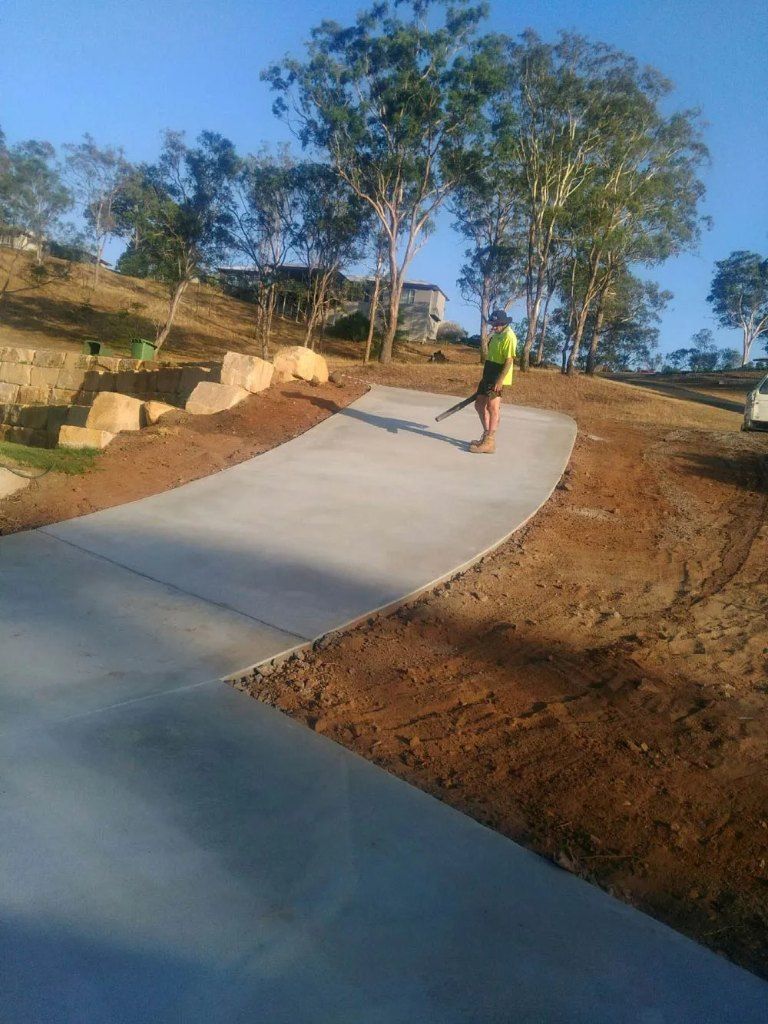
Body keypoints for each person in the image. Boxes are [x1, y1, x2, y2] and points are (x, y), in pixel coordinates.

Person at [469, 309, 518, 454]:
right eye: (493, 324)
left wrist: (500, 380)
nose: (493, 327)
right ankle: (486, 435)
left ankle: (489, 441)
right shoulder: (496, 335)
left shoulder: (509, 337)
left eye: (496, 324)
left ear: (503, 323)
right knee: (479, 405)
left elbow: (509, 361)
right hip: (488, 372)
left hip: (497, 374)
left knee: (492, 407)